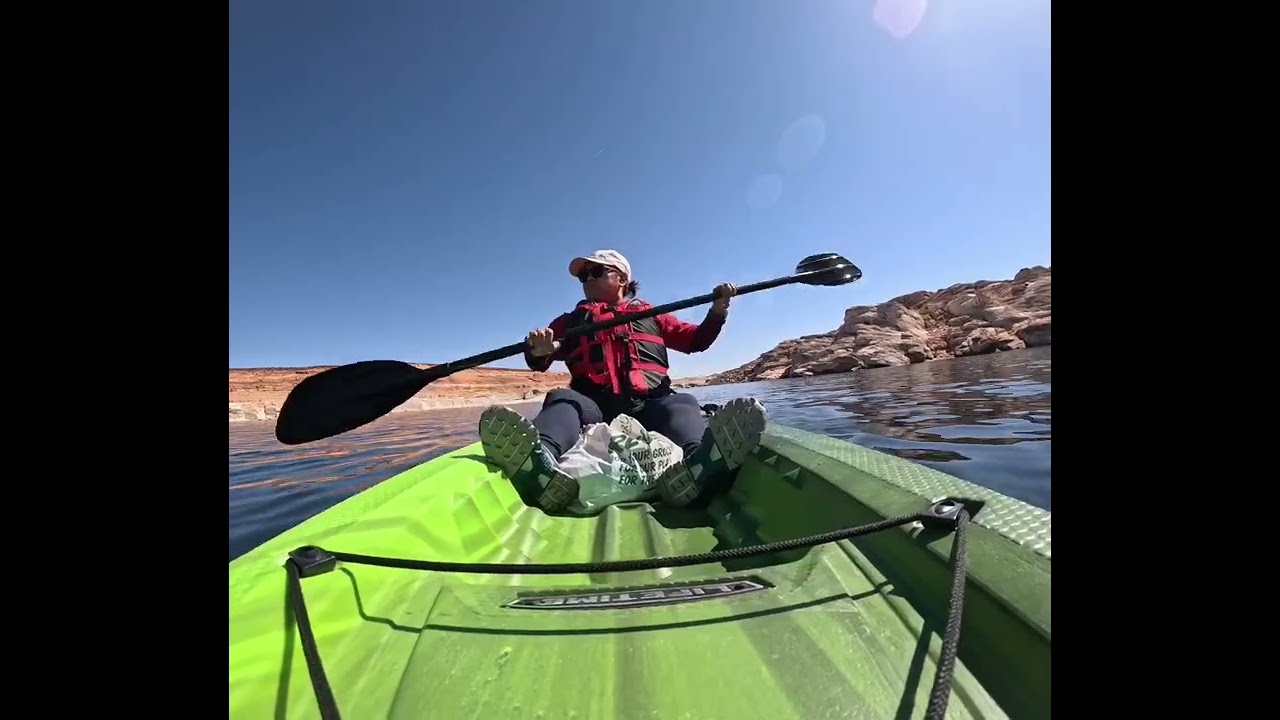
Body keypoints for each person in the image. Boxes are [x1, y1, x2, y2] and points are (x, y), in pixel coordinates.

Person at [479, 249, 767, 512]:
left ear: (622, 279)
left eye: (595, 272)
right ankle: (540, 464)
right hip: (594, 407)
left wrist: (718, 311)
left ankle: (700, 465)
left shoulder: (651, 314)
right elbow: (545, 355)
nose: (586, 280)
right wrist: (540, 351)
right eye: (583, 276)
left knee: (682, 402)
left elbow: (696, 341)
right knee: (561, 399)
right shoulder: (571, 321)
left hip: (650, 403)